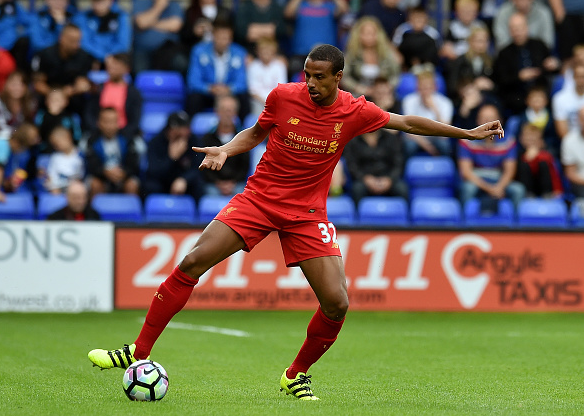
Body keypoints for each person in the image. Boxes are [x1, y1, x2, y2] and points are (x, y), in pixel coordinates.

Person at [88, 44, 504, 401]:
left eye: (319, 77)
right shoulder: (283, 96)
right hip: (259, 199)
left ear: (338, 77)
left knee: (338, 302)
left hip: (306, 214)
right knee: (193, 261)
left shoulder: (355, 110)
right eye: (306, 74)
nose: (310, 83)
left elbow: (409, 122)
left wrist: (465, 133)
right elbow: (255, 133)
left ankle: (294, 375)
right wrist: (227, 150)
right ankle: (137, 351)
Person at [458, 103, 525, 207]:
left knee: (518, 190)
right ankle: (465, 220)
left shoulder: (509, 141)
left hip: (499, 178)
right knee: (468, 189)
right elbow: (466, 172)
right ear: (478, 121)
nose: (488, 123)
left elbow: (509, 171)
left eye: (491, 119)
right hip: (476, 179)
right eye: (484, 119)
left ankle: (516, 222)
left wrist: (499, 188)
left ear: (500, 122)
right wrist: (490, 189)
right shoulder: (467, 141)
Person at [493, 13, 559, 115]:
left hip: (540, 91)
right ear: (509, 31)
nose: (517, 32)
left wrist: (554, 65)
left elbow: (552, 67)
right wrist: (519, 76)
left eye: (520, 28)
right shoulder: (504, 53)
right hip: (518, 96)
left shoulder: (539, 45)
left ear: (527, 27)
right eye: (513, 29)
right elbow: (501, 79)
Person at [186, 20, 249, 121]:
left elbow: (242, 82)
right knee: (194, 98)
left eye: (226, 38)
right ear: (213, 37)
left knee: (244, 98)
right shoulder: (199, 51)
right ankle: (192, 131)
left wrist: (229, 89)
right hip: (208, 93)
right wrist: (209, 88)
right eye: (219, 38)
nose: (222, 42)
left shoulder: (239, 52)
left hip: (229, 92)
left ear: (231, 39)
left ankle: (244, 132)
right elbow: (193, 80)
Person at [141, 111, 204, 200]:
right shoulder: (156, 142)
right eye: (183, 128)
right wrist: (171, 158)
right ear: (172, 130)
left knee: (198, 186)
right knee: (149, 187)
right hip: (162, 181)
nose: (187, 132)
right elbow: (153, 171)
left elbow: (198, 168)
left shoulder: (193, 141)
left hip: (183, 181)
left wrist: (184, 179)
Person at [84, 53, 142, 140]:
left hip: (125, 135)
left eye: (117, 65)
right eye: (111, 65)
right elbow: (89, 114)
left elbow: (134, 120)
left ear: (126, 69)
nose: (112, 68)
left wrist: (121, 134)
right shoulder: (97, 89)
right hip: (98, 134)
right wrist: (98, 130)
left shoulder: (134, 93)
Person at [200, 95, 249, 197]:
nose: (227, 114)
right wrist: (218, 183)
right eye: (224, 110)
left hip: (236, 184)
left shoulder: (243, 138)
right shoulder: (207, 138)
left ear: (236, 113)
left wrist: (232, 183)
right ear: (217, 112)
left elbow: (244, 166)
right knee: (209, 193)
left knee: (242, 195)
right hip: (213, 185)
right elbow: (204, 166)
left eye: (230, 111)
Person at [85, 107, 140, 196]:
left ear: (118, 123)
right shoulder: (91, 140)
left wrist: (124, 172)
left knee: (132, 185)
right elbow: (91, 164)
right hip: (101, 177)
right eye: (106, 122)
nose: (110, 126)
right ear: (99, 123)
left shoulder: (128, 139)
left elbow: (133, 162)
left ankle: (130, 209)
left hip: (123, 176)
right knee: (95, 185)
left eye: (113, 121)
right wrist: (104, 172)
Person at [341, 16, 401, 97]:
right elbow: (344, 77)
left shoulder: (386, 53)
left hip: (383, 95)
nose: (369, 37)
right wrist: (358, 88)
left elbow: (396, 75)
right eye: (366, 33)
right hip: (358, 94)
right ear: (359, 35)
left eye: (373, 33)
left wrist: (387, 87)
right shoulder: (352, 54)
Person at [401, 66, 454, 157]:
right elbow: (408, 130)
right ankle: (403, 170)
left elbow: (446, 131)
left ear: (435, 87)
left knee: (445, 145)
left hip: (436, 137)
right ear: (417, 87)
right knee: (408, 145)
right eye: (422, 88)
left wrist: (434, 109)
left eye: (428, 88)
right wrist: (427, 146)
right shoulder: (409, 101)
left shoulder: (445, 102)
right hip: (416, 137)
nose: (425, 91)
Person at [132, 0, 185, 73]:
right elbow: (141, 23)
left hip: (167, 50)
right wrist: (159, 7)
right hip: (143, 50)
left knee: (181, 63)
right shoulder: (141, 2)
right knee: (139, 71)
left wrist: (150, 23)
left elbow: (175, 25)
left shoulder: (174, 3)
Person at [516, 123, 563, 198]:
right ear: (521, 139)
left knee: (543, 164)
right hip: (526, 190)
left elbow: (554, 175)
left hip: (545, 189)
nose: (530, 142)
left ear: (541, 141)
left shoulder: (546, 156)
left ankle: (547, 194)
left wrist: (558, 190)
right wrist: (527, 158)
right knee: (523, 166)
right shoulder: (518, 156)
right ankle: (528, 195)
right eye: (528, 139)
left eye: (533, 139)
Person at [246, 37, 288, 116]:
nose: (266, 54)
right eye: (263, 51)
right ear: (257, 52)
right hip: (258, 101)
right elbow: (252, 90)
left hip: (276, 100)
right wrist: (265, 102)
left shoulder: (280, 66)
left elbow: (282, 87)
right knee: (257, 108)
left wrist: (272, 101)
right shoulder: (253, 66)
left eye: (269, 51)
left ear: (274, 52)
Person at [44, 126, 84, 193]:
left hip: (76, 186)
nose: (56, 147)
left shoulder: (80, 155)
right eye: (54, 145)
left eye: (57, 144)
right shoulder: (55, 157)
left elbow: (82, 174)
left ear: (68, 138)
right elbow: (52, 175)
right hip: (59, 186)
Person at [552, 63, 584, 140]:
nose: (581, 79)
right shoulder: (559, 98)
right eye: (578, 76)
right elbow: (562, 132)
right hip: (570, 142)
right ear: (573, 77)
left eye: (583, 76)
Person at [561, 106, 584, 198]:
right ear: (578, 120)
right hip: (581, 183)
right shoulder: (569, 140)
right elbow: (570, 173)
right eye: (583, 118)